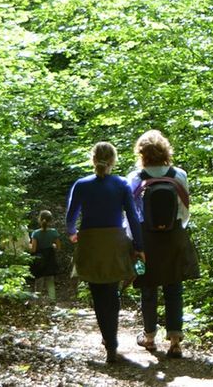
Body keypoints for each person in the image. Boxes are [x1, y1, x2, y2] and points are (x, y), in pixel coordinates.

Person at [66, 141, 146, 365]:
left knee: (98, 293)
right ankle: (111, 342)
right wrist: (139, 246)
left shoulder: (81, 185)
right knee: (112, 292)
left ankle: (109, 343)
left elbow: (71, 218)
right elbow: (132, 217)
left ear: (93, 159)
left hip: (91, 242)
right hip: (114, 242)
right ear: (113, 160)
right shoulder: (121, 184)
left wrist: (72, 234)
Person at [127, 130, 199, 359]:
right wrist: (176, 228)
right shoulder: (179, 174)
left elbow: (130, 214)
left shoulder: (134, 178)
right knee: (174, 287)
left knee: (148, 286)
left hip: (146, 239)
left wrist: (134, 241)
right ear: (166, 150)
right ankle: (175, 341)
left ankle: (149, 338)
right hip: (174, 236)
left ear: (141, 153)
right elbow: (185, 211)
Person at [29, 210, 62, 301]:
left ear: (39, 220)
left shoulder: (35, 233)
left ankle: (37, 301)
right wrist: (53, 246)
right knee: (50, 280)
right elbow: (58, 247)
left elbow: (33, 249)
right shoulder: (53, 232)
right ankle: (52, 300)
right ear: (50, 220)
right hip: (50, 258)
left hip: (39, 259)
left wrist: (28, 247)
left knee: (39, 280)